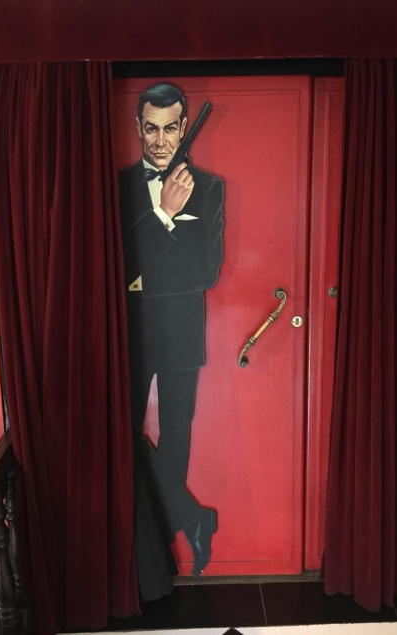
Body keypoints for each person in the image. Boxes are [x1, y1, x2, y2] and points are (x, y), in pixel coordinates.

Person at [118, 83, 224, 599]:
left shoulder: (209, 187)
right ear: (139, 129)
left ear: (184, 128)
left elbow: (207, 271)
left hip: (182, 330)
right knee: (122, 434)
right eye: (151, 128)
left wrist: (147, 269)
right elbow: (119, 266)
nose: (161, 140)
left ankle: (162, 544)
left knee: (177, 433)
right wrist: (162, 215)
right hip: (131, 334)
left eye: (170, 128)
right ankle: (192, 517)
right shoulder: (119, 187)